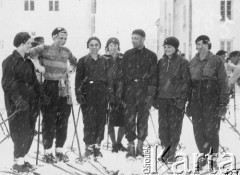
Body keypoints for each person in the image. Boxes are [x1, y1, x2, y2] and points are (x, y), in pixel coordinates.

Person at [30, 27, 77, 163]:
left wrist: (70, 69)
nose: (63, 40)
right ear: (54, 37)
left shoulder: (67, 51)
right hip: (49, 86)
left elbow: (75, 61)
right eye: (60, 38)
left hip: (64, 87)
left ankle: (60, 150)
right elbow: (29, 53)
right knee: (49, 120)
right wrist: (38, 65)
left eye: (65, 38)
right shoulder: (43, 48)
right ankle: (48, 151)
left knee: (63, 120)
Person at [187, 35, 229, 169]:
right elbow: (189, 84)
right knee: (198, 131)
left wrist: (223, 103)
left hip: (212, 101)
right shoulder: (192, 61)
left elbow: (223, 83)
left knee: (211, 131)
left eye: (203, 44)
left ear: (208, 45)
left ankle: (213, 158)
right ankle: (203, 156)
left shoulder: (216, 60)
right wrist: (189, 102)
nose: (200, 47)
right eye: (197, 44)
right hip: (196, 101)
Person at [2, 32, 40, 172]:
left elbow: (34, 81)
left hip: (31, 101)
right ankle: (17, 163)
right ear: (21, 44)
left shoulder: (28, 62)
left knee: (30, 131)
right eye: (29, 43)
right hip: (17, 103)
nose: (31, 45)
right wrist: (18, 100)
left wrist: (40, 95)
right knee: (20, 132)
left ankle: (22, 159)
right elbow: (7, 84)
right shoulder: (9, 61)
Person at [122, 29, 157, 158]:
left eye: (136, 38)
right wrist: (122, 92)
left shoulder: (151, 55)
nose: (133, 40)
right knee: (129, 119)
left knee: (143, 119)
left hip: (144, 90)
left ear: (143, 39)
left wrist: (150, 95)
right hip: (130, 90)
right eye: (132, 38)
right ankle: (130, 144)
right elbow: (123, 74)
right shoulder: (127, 54)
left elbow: (153, 76)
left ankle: (140, 144)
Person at [154, 37, 190, 163]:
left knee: (174, 127)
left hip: (176, 100)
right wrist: (155, 97)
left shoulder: (183, 62)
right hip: (163, 99)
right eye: (165, 47)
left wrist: (182, 99)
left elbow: (186, 82)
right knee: (163, 127)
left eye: (169, 47)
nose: (167, 49)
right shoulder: (161, 62)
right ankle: (165, 151)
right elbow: (157, 80)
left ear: (175, 48)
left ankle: (172, 153)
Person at [75, 37, 110, 158]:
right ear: (88, 46)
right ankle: (89, 146)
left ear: (100, 46)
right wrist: (78, 93)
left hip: (101, 91)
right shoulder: (83, 60)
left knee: (101, 119)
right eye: (91, 45)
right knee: (89, 120)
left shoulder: (105, 61)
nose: (94, 47)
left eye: (96, 45)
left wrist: (109, 92)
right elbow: (78, 79)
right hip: (88, 92)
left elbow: (108, 78)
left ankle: (97, 145)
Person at [104, 37, 127, 153]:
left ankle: (119, 142)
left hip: (122, 92)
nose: (113, 47)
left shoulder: (123, 58)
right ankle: (113, 144)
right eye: (110, 45)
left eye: (115, 45)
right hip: (109, 91)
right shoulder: (104, 59)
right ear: (107, 47)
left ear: (118, 46)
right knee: (111, 121)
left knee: (123, 120)